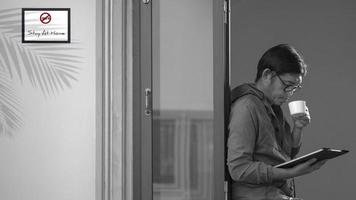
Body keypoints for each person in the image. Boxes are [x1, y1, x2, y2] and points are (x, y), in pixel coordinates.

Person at [227, 44, 327, 200]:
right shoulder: (247, 107)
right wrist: (291, 173)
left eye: (295, 88)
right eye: (287, 86)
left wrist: (298, 128)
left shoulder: (273, 106)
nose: (290, 94)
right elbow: (239, 169)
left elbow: (284, 155)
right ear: (267, 75)